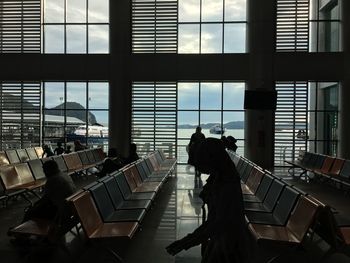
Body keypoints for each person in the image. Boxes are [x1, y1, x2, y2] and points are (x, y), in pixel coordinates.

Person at [166, 138, 251, 263]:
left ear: (211, 159)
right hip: (224, 240)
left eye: (203, 162)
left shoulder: (226, 184)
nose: (201, 168)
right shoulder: (223, 174)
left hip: (227, 245)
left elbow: (217, 223)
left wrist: (188, 241)